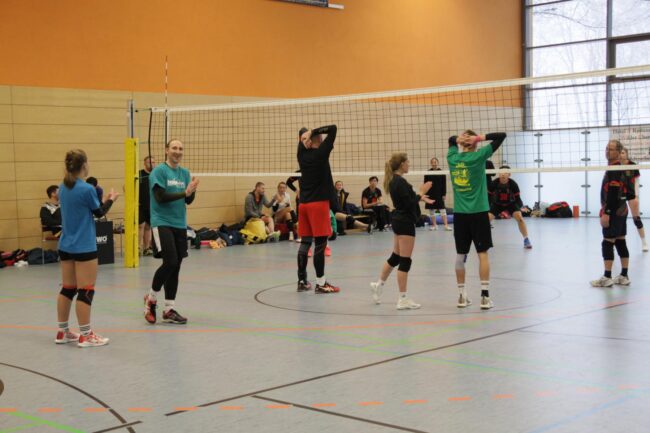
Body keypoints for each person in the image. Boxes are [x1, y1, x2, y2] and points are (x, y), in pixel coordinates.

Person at [56, 149, 119, 347]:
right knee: (86, 290)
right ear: (84, 165)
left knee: (68, 288)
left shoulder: (62, 187)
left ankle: (62, 332)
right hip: (83, 245)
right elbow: (99, 213)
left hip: (65, 244)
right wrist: (111, 199)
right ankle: (86, 335)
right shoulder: (86, 189)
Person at [447, 130, 506, 310]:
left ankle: (461, 296)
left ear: (461, 143)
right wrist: (479, 138)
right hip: (479, 213)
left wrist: (458, 139)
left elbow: (450, 140)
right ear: (475, 143)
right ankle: (485, 297)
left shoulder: (452, 158)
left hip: (460, 215)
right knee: (483, 254)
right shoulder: (479, 156)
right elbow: (501, 136)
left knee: (460, 255)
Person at [143, 139, 199, 325]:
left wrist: (192, 190)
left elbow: (188, 201)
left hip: (179, 223)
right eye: (174, 148)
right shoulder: (159, 171)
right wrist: (185, 193)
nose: (178, 151)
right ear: (167, 150)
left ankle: (169, 309)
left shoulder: (185, 173)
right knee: (170, 262)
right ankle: (151, 300)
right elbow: (160, 197)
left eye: (180, 148)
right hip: (161, 222)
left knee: (176, 266)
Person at [370, 153, 433, 309]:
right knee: (405, 261)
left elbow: (407, 199)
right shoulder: (400, 182)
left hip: (398, 220)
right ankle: (402, 299)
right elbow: (408, 203)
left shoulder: (395, 181)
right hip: (405, 222)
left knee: (396, 257)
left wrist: (420, 197)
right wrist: (421, 192)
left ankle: (378, 285)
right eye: (408, 162)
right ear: (402, 164)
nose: (409, 164)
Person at [296, 125, 340, 293]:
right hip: (318, 205)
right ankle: (321, 284)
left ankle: (302, 281)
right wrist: (314, 132)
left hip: (303, 205)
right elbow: (333, 129)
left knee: (305, 242)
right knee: (320, 245)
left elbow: (301, 142)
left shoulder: (301, 154)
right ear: (319, 139)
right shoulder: (321, 153)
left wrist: (306, 137)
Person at [591, 140, 634, 287]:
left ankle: (607, 277)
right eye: (606, 148)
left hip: (614, 211)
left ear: (619, 151)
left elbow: (613, 192)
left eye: (611, 149)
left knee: (607, 242)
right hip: (622, 210)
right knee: (621, 241)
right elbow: (629, 193)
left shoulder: (614, 169)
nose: (607, 151)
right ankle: (624, 275)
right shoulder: (622, 168)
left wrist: (607, 213)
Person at [488, 165, 532, 249]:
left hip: (511, 204)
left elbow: (518, 199)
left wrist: (520, 207)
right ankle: (485, 241)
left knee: (520, 218)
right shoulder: (493, 184)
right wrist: (487, 208)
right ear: (498, 174)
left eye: (505, 172)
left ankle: (526, 239)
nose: (503, 174)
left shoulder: (513, 184)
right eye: (501, 172)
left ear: (509, 174)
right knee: (486, 219)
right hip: (497, 205)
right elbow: (488, 197)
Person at [621, 147, 647, 252]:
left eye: (623, 153)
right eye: (620, 153)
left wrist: (636, 196)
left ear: (627, 154)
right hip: (620, 194)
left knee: (636, 219)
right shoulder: (616, 165)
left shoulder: (632, 165)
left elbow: (636, 181)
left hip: (631, 194)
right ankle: (615, 243)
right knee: (618, 219)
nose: (621, 154)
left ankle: (644, 242)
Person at [423, 157, 451, 231]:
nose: (434, 163)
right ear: (431, 163)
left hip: (439, 194)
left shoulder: (441, 172)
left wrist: (444, 194)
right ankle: (434, 225)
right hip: (430, 194)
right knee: (431, 211)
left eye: (435, 162)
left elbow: (444, 184)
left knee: (442, 210)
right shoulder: (428, 172)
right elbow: (425, 184)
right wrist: (424, 194)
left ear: (437, 163)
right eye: (432, 162)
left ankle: (446, 226)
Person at [139, 156, 155, 256]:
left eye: (153, 162)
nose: (152, 164)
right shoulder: (139, 174)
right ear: (144, 164)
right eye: (149, 162)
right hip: (140, 205)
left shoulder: (156, 174)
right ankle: (137, 248)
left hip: (152, 205)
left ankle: (146, 248)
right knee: (140, 226)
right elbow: (126, 187)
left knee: (148, 227)